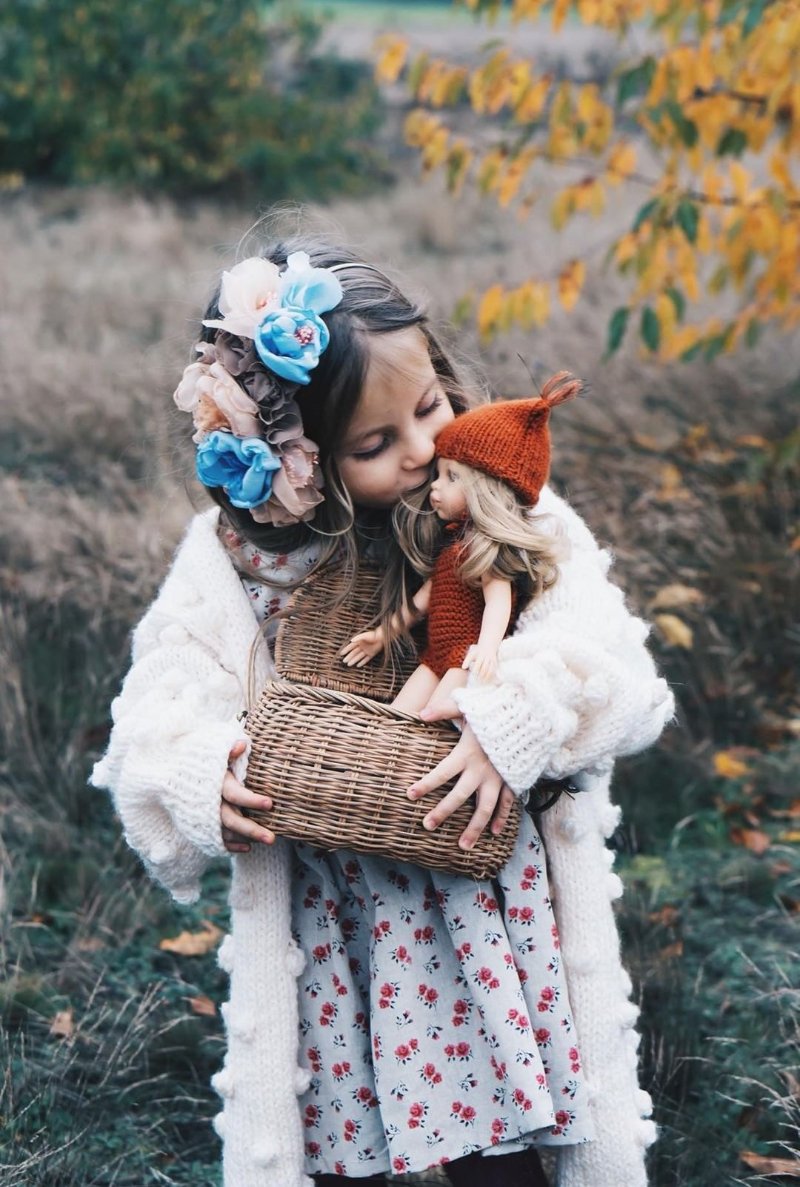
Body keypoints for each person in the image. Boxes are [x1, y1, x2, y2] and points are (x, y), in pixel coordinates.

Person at [91, 233, 674, 1187]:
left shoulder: (499, 507)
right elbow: (157, 703)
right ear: (298, 457)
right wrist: (202, 770)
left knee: (505, 1136)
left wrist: (511, 719)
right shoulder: (236, 563)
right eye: (372, 443)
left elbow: (611, 660)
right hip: (333, 917)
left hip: (476, 896)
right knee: (339, 1134)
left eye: (430, 407)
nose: (419, 452)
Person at [340, 373, 581, 719]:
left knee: (430, 720)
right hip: (436, 653)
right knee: (396, 716)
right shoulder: (454, 546)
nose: (435, 488)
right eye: (438, 475)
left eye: (452, 478)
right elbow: (423, 601)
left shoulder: (485, 554)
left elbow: (498, 603)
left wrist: (487, 649)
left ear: (486, 493)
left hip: (466, 657)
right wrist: (383, 633)